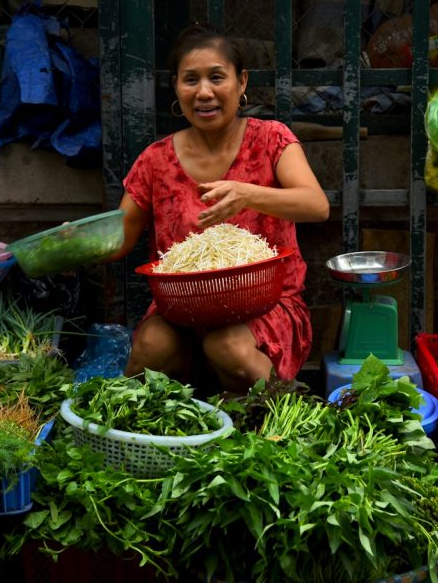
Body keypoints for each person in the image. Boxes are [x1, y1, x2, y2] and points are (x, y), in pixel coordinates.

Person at [108, 23, 330, 393]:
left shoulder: (271, 139)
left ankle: (279, 420)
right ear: (176, 89)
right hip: (182, 310)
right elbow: (120, 238)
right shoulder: (155, 160)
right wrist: (74, 242)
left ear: (241, 82)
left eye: (216, 77)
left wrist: (248, 194)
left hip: (264, 307)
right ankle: (171, 430)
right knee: (151, 346)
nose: (204, 93)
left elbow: (316, 205)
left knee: (226, 345)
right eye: (190, 80)